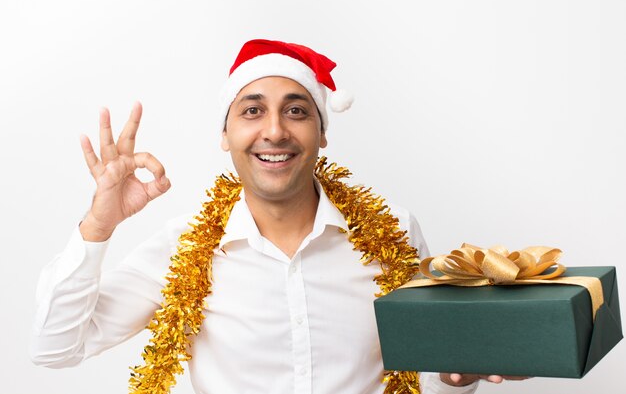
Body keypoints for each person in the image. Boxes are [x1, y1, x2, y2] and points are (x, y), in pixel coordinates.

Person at [30, 39, 523, 393]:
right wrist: (98, 225)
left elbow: (427, 371)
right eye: (251, 111)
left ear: (321, 132)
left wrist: (457, 377)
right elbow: (56, 349)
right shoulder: (184, 247)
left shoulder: (391, 229)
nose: (274, 132)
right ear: (225, 135)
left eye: (295, 111)